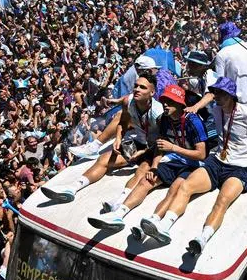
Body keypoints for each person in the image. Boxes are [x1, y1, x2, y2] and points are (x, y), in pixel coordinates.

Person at [139, 77, 247, 255]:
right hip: (217, 161)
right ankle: (165, 226)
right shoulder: (216, 110)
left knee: (222, 200)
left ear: (231, 95)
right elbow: (206, 98)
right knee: (186, 186)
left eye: (221, 93)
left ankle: (203, 238)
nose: (217, 96)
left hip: (240, 167)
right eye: (216, 92)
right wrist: (196, 106)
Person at [87, 83, 208, 231]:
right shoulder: (165, 119)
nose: (165, 105)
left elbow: (201, 155)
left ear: (179, 104)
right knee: (146, 180)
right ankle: (118, 215)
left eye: (169, 102)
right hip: (173, 159)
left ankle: (157, 223)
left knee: (175, 190)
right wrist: (155, 167)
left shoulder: (193, 121)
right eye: (164, 101)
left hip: (192, 165)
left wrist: (173, 148)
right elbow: (160, 146)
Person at [41, 74, 162, 203]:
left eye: (142, 87)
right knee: (103, 159)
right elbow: (123, 122)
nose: (137, 89)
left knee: (143, 170)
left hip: (155, 149)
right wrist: (118, 138)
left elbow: (165, 141)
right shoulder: (129, 101)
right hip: (139, 142)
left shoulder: (158, 112)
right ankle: (71, 188)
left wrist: (143, 153)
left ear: (152, 92)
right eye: (136, 86)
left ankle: (119, 203)